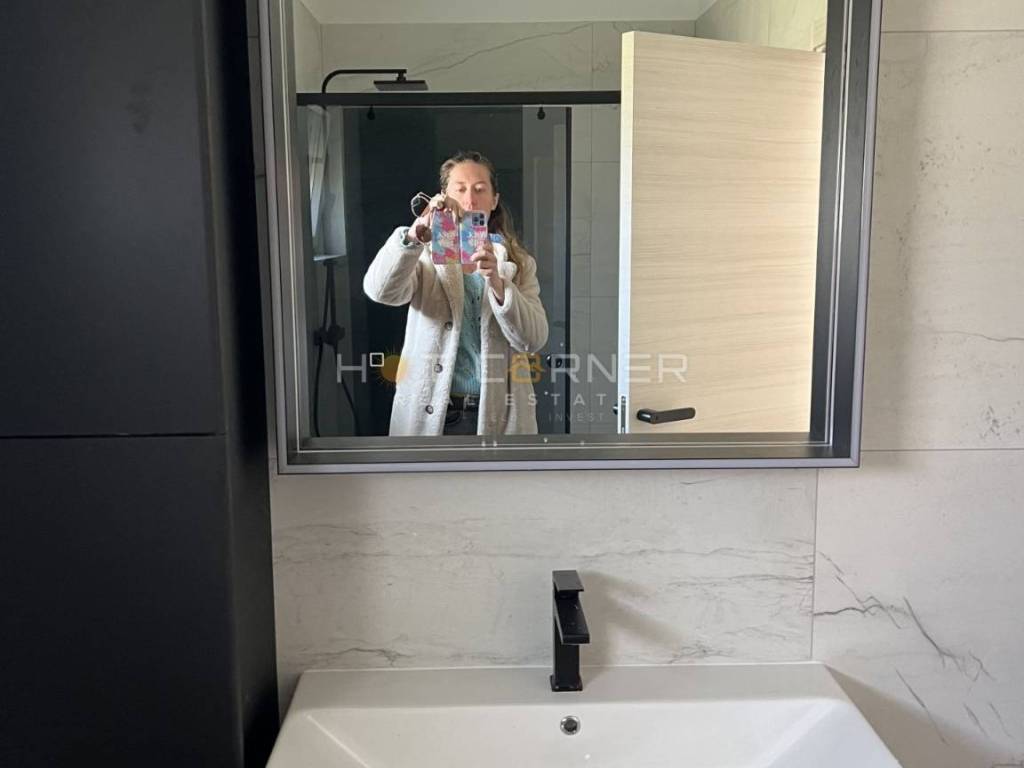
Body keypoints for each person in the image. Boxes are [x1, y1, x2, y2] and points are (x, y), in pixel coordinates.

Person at [363, 150, 548, 436]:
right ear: (443, 196)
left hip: (499, 414)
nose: (470, 200)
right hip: (433, 412)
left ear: (494, 200)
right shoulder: (424, 255)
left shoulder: (519, 263)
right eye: (460, 189)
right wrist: (414, 235)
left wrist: (499, 284)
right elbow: (381, 291)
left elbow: (534, 339)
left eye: (480, 189)